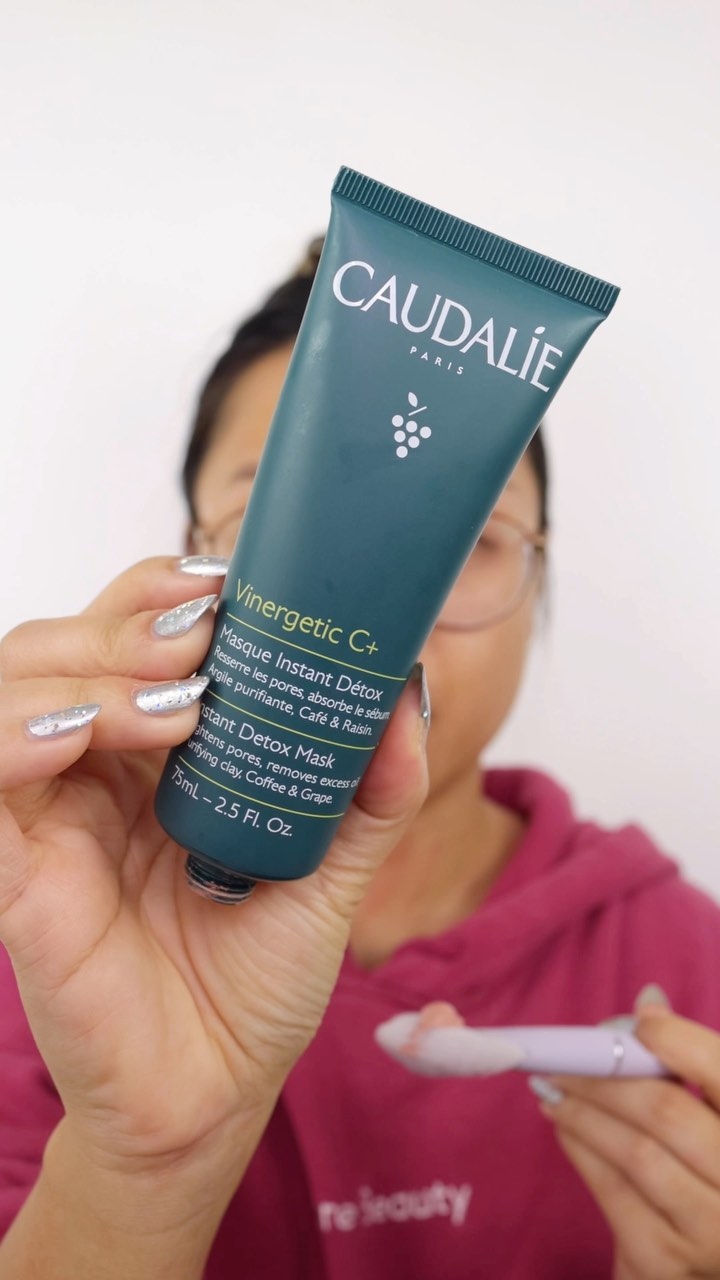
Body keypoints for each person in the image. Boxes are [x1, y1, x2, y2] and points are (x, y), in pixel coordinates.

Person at [1, 239, 720, 1280]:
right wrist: (137, 1172)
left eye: (463, 536)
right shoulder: (56, 940)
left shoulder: (684, 954)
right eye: (287, 512)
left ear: (540, 584)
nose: (392, 614)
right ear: (191, 557)